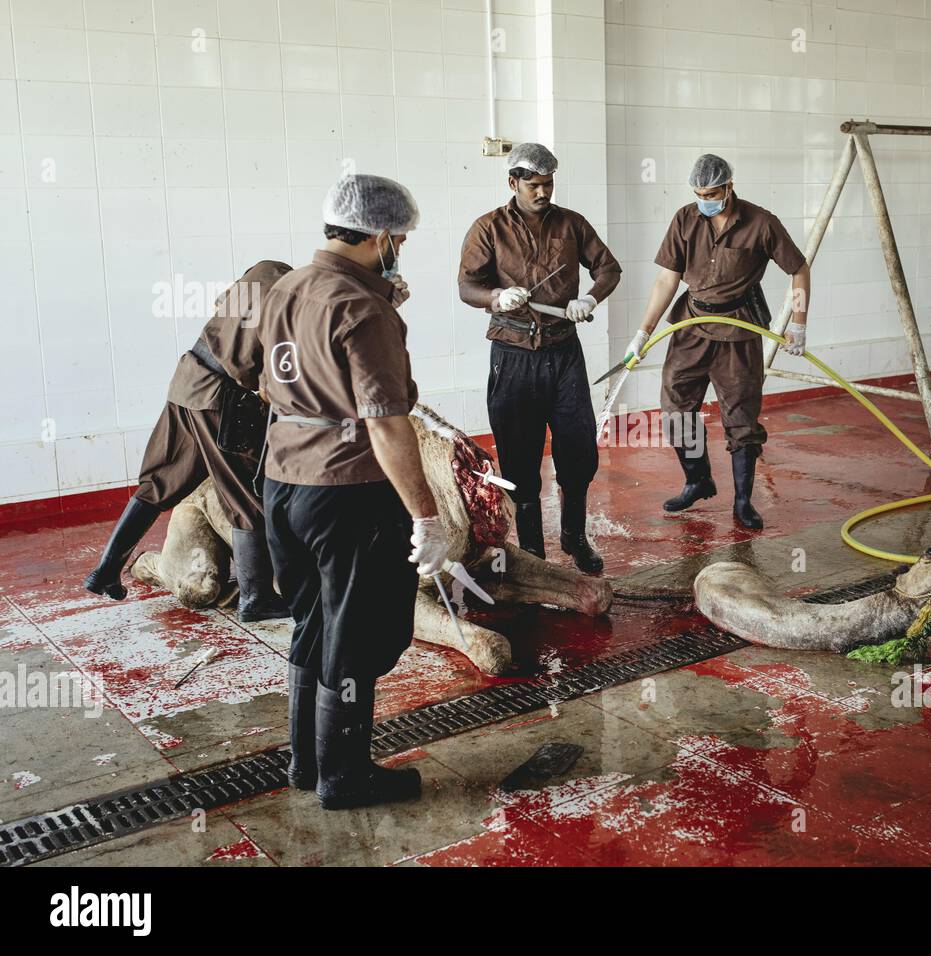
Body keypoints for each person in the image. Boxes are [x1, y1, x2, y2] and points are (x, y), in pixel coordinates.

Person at [258, 173, 448, 810]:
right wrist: (427, 514)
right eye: (402, 241)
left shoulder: (288, 287)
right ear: (386, 238)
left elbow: (281, 381)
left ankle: (305, 764)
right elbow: (388, 424)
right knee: (354, 631)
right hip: (348, 490)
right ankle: (345, 777)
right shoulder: (364, 311)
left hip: (282, 483)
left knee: (313, 620)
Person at [84, 260, 293, 622]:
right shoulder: (303, 301)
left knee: (159, 481)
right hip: (222, 399)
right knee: (248, 495)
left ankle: (105, 570)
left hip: (187, 378)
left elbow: (219, 304)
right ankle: (256, 598)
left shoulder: (265, 269)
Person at [458, 143, 622, 574]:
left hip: (564, 353)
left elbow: (609, 269)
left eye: (548, 184)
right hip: (512, 356)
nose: (543, 192)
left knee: (578, 448)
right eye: (533, 185)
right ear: (512, 183)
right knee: (518, 456)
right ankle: (532, 550)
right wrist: (495, 296)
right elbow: (466, 287)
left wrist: (589, 296)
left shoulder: (571, 224)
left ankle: (574, 537)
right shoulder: (487, 228)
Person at [628, 153, 811, 530]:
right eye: (698, 194)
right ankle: (698, 480)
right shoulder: (685, 218)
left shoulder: (761, 223)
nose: (704, 201)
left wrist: (800, 323)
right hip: (691, 326)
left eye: (711, 193)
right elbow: (667, 279)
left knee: (741, 415)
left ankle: (743, 502)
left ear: (729, 187)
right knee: (676, 406)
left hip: (739, 331)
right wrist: (643, 332)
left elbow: (799, 268)